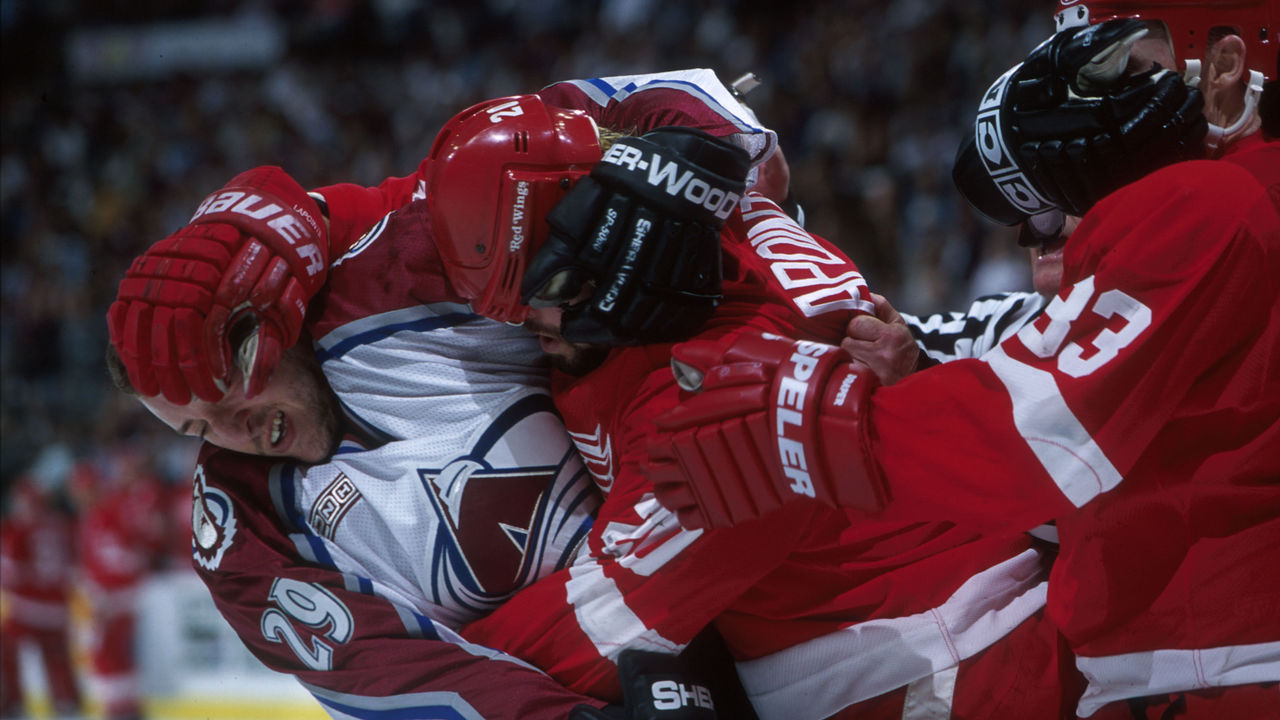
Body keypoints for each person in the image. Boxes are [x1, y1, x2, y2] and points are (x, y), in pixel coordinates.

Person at [643, 4, 1280, 718]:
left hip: (1215, 670)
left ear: (1225, 68)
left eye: (1124, 67)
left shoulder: (1215, 199)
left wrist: (798, 432)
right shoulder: (1247, 195)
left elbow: (1037, 443)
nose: (1095, 105)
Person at [105, 69, 782, 719]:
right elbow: (393, 678)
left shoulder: (397, 263)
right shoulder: (240, 528)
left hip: (775, 602)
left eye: (233, 388)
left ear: (284, 320)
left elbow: (625, 122)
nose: (235, 431)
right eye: (197, 430)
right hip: (615, 676)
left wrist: (691, 147)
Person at [417, 94, 1084, 719]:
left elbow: (606, 621)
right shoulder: (718, 214)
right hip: (971, 620)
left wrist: (393, 664)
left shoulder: (716, 391)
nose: (527, 326)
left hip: (941, 673)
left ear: (596, 238)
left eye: (539, 290)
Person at [0, 475, 84, 719]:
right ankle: (68, 706)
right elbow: (75, 564)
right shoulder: (61, 525)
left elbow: (9, 572)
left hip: (27, 607)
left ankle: (12, 706)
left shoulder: (16, 530)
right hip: (58, 607)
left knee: (6, 651)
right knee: (57, 658)